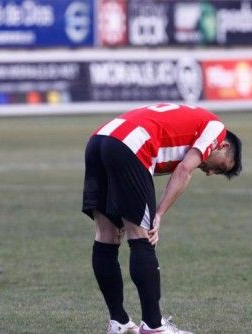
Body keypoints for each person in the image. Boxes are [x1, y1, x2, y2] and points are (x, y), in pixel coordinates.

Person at [82, 103, 242, 334]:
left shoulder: (193, 124)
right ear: (224, 145)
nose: (210, 172)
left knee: (106, 236)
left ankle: (119, 322)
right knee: (142, 237)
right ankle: (154, 326)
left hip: (100, 138)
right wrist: (158, 214)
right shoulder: (216, 129)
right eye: (221, 168)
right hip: (129, 144)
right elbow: (184, 170)